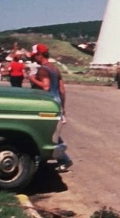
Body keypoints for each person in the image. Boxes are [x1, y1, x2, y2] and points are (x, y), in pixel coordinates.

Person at [29, 43, 74, 172]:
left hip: (46, 102)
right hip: (56, 101)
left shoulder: (43, 69)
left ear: (40, 55)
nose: (34, 59)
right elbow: (62, 89)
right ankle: (61, 159)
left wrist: (32, 79)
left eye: (35, 56)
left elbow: (46, 86)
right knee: (52, 132)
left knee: (44, 131)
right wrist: (63, 107)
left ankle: (63, 159)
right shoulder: (54, 69)